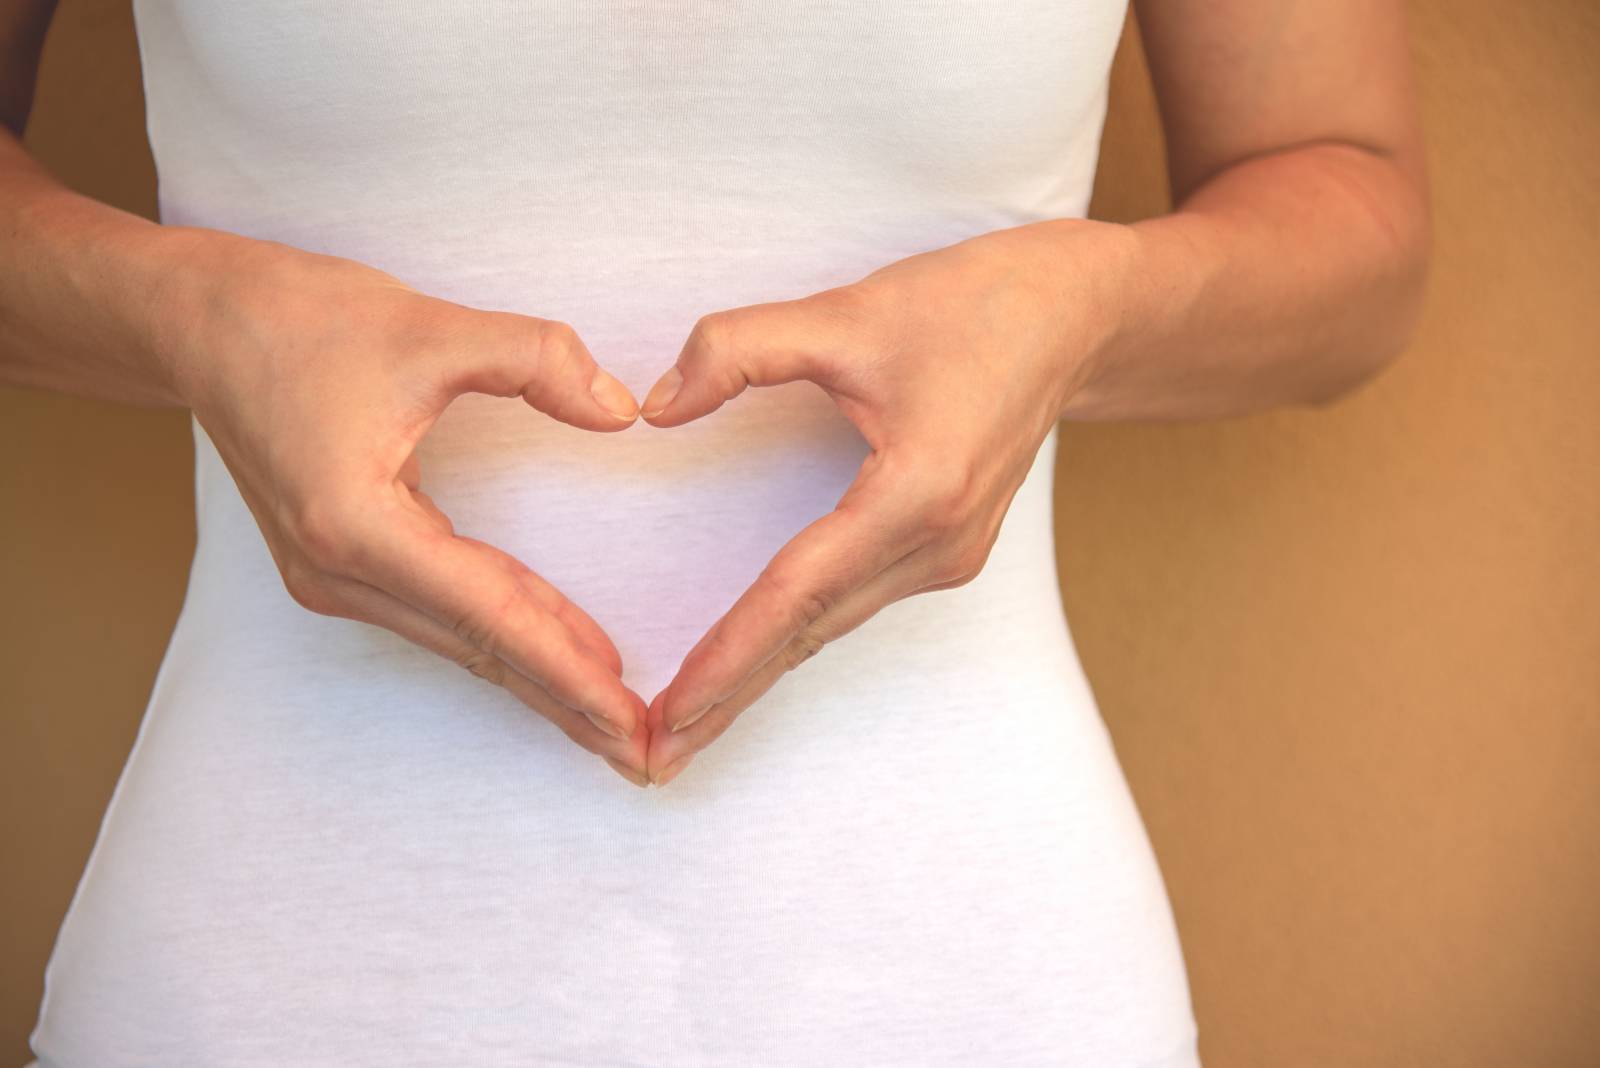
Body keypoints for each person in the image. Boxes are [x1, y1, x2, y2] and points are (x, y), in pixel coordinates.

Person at [3, 0, 1429, 1064]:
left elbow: (1350, 212)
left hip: (974, 980)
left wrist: (1084, 311)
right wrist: (194, 316)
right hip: (271, 977)